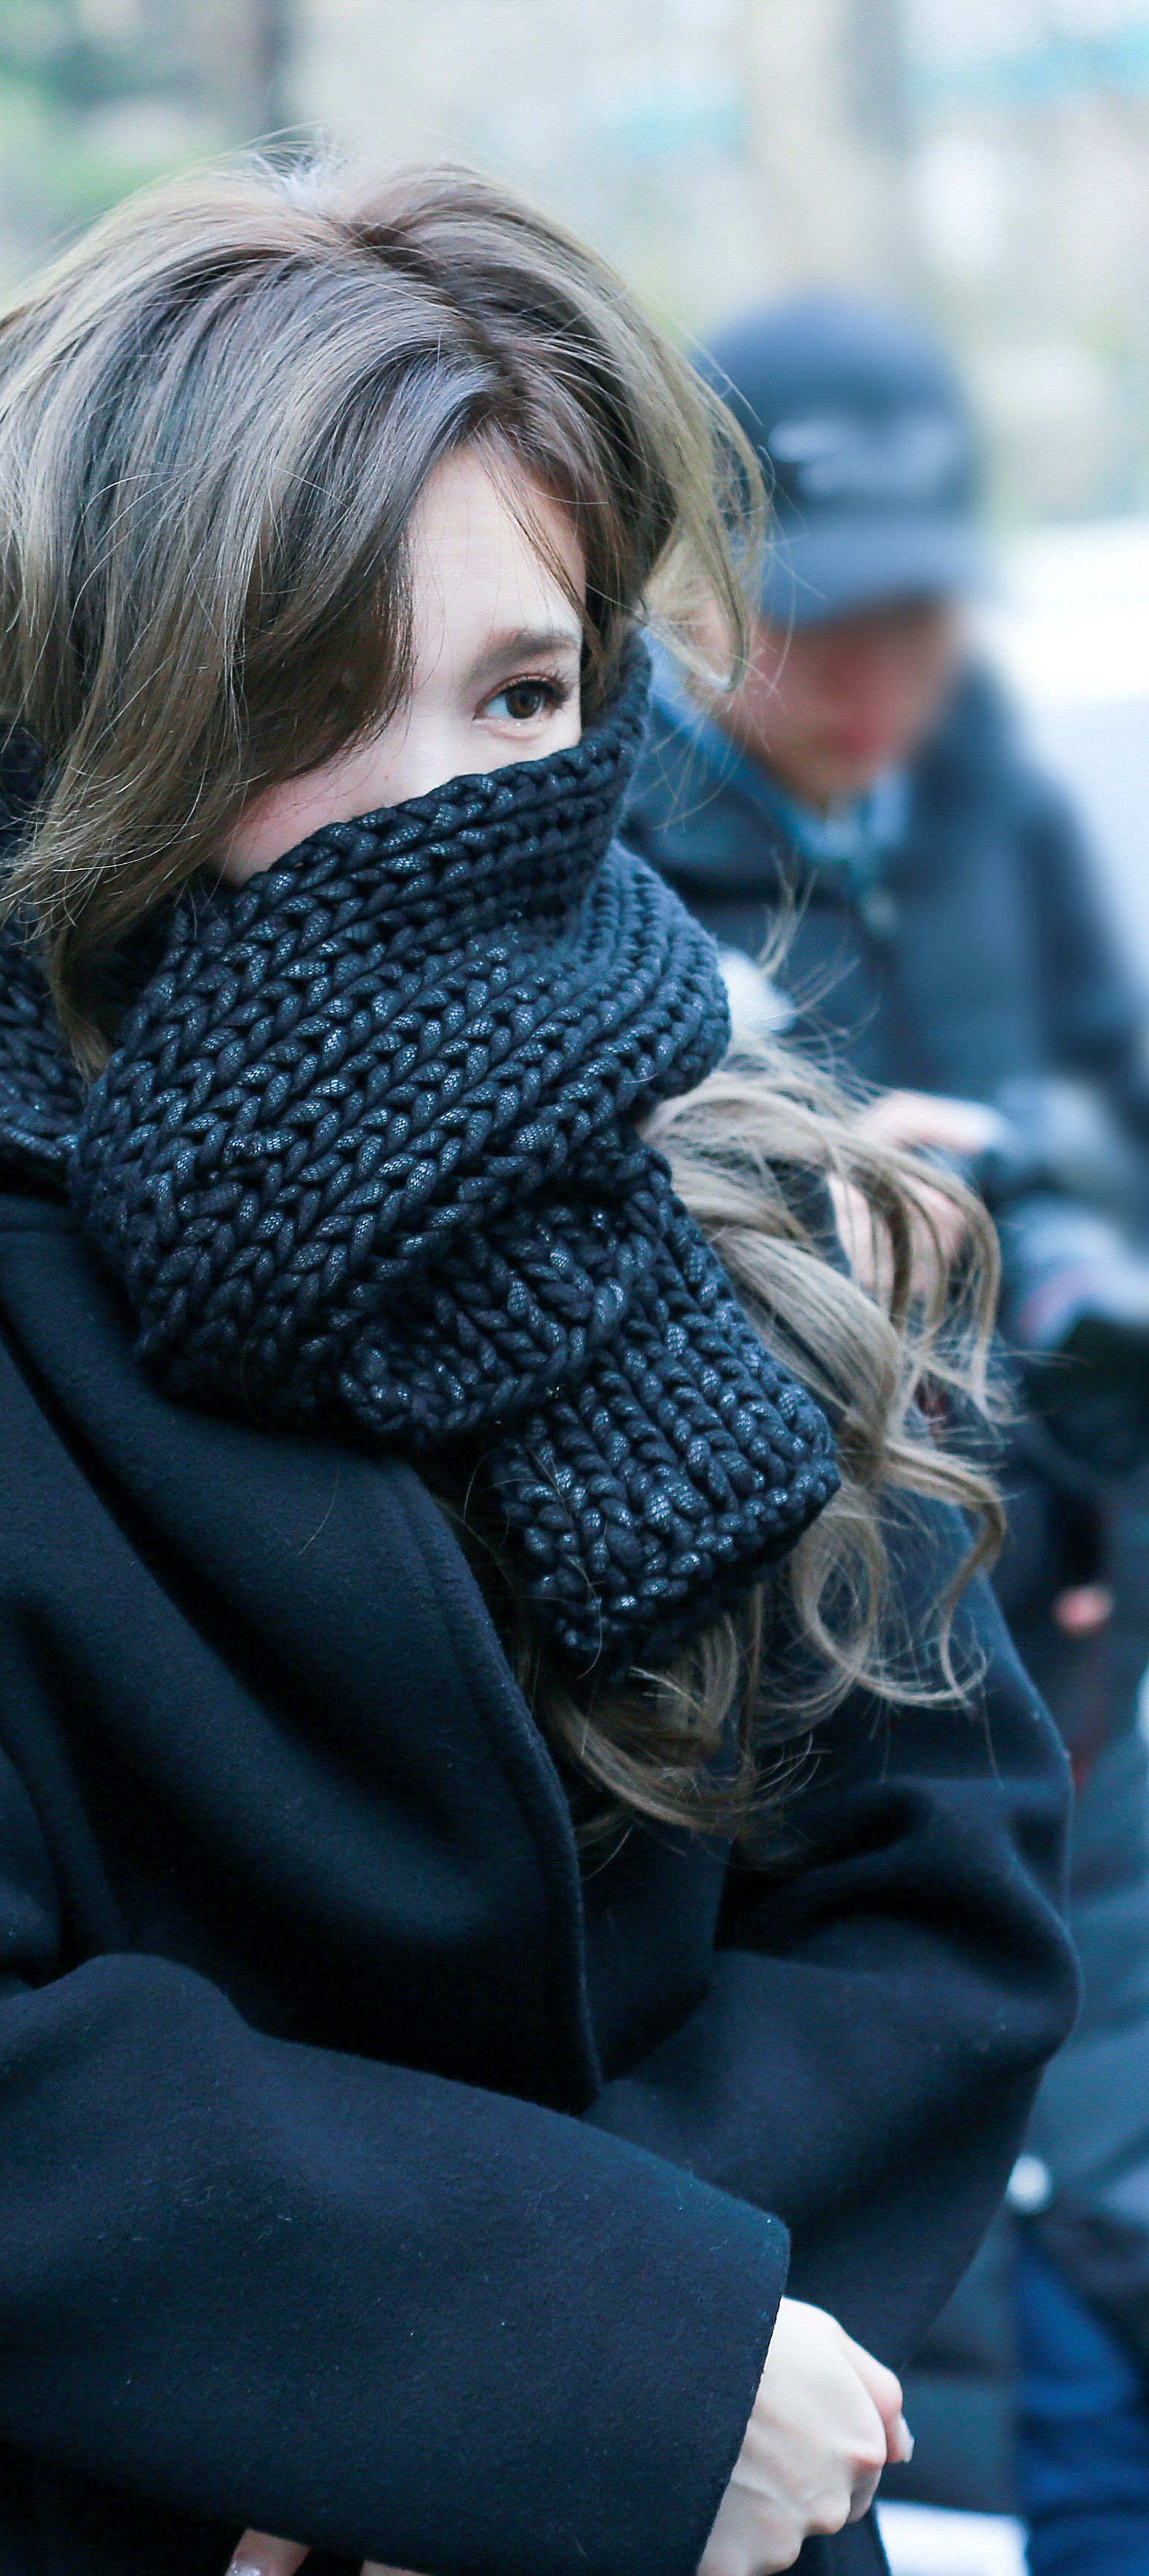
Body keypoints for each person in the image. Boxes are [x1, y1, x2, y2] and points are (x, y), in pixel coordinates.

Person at [0, 166, 1077, 2576]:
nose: (447, 807)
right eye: (313, 698)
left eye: (521, 693)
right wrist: (537, 2373)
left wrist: (624, 2402)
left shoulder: (691, 1129)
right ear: (116, 693)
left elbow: (928, 1874)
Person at [620, 293, 1149, 2572]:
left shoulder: (982, 787)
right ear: (686, 592)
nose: (872, 680)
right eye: (819, 623)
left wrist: (1054, 1222)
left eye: (919, 622)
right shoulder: (595, 853)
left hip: (1077, 1631)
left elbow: (1106, 1102)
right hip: (819, 1665)